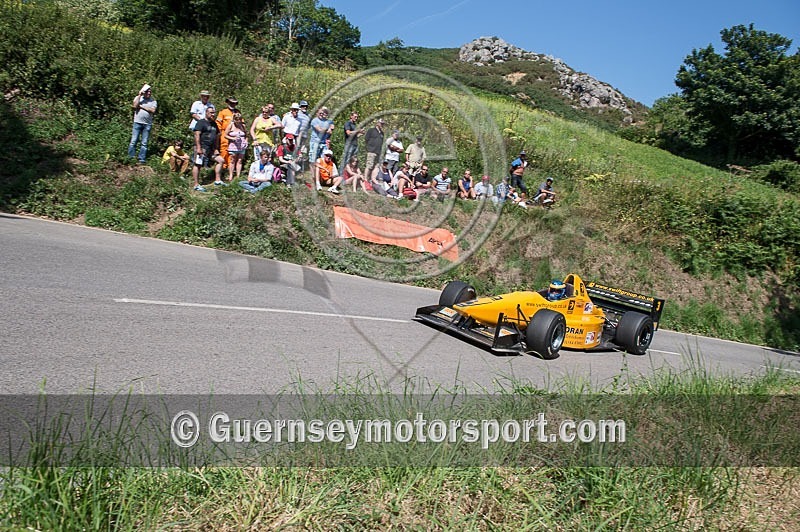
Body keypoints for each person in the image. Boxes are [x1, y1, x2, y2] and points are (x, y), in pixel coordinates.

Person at [192, 106, 225, 191]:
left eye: (214, 113)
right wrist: (198, 148)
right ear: (206, 113)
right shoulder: (201, 122)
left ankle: (217, 180)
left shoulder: (214, 124)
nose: (213, 114)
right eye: (211, 113)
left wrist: (216, 148)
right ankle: (196, 184)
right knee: (198, 164)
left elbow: (217, 136)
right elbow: (197, 135)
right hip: (202, 147)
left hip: (211, 149)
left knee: (220, 160)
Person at [127, 84, 157, 164]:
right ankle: (130, 157)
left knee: (144, 142)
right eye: (147, 91)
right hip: (137, 122)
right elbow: (134, 106)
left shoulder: (153, 101)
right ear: (144, 92)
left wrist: (142, 107)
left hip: (147, 124)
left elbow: (153, 110)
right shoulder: (138, 98)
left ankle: (142, 159)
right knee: (134, 140)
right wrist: (139, 95)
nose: (149, 93)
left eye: (150, 91)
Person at [224, 111, 248, 182]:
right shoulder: (231, 125)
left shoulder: (243, 126)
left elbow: (246, 134)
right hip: (233, 145)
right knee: (232, 160)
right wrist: (232, 138)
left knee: (240, 160)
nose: (238, 121)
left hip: (242, 145)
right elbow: (225, 135)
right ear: (234, 119)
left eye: (239, 119)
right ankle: (231, 175)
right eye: (236, 119)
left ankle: (238, 175)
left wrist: (246, 141)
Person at [216, 97, 239, 171]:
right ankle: (223, 167)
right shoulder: (223, 112)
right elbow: (218, 123)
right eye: (231, 103)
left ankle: (230, 167)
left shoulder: (238, 112)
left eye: (234, 103)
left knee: (233, 151)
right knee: (224, 149)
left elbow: (242, 122)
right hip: (224, 133)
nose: (233, 104)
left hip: (235, 133)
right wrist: (218, 133)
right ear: (228, 103)